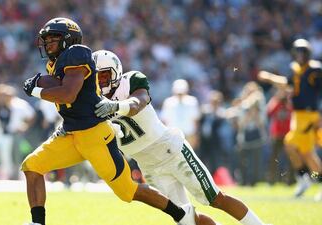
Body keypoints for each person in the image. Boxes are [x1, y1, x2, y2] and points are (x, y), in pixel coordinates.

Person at [21, 17, 195, 225]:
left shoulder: (78, 53)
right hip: (72, 133)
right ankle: (37, 223)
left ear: (69, 39)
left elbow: (68, 94)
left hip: (95, 135)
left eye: (53, 38)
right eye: (46, 40)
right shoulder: (57, 64)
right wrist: (40, 80)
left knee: (128, 191)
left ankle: (181, 214)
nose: (48, 43)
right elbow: (60, 83)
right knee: (32, 166)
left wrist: (37, 89)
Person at [93, 49, 271, 225]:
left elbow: (139, 101)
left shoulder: (130, 81)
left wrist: (116, 107)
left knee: (215, 198)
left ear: (116, 72)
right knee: (186, 219)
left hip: (171, 151)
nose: (100, 81)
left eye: (104, 75)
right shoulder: (91, 102)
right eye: (96, 77)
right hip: (148, 165)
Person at [258, 38, 322, 200]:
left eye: (302, 52)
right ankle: (306, 178)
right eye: (298, 52)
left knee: (291, 144)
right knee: (306, 153)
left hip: (309, 115)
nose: (300, 56)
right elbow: (287, 83)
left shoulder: (315, 70)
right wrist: (269, 77)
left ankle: (305, 178)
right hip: (298, 115)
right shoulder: (295, 70)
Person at [161, 79, 201, 150]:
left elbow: (195, 120)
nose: (180, 94)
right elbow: (164, 120)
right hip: (173, 136)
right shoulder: (168, 102)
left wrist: (195, 135)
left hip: (189, 134)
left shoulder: (192, 101)